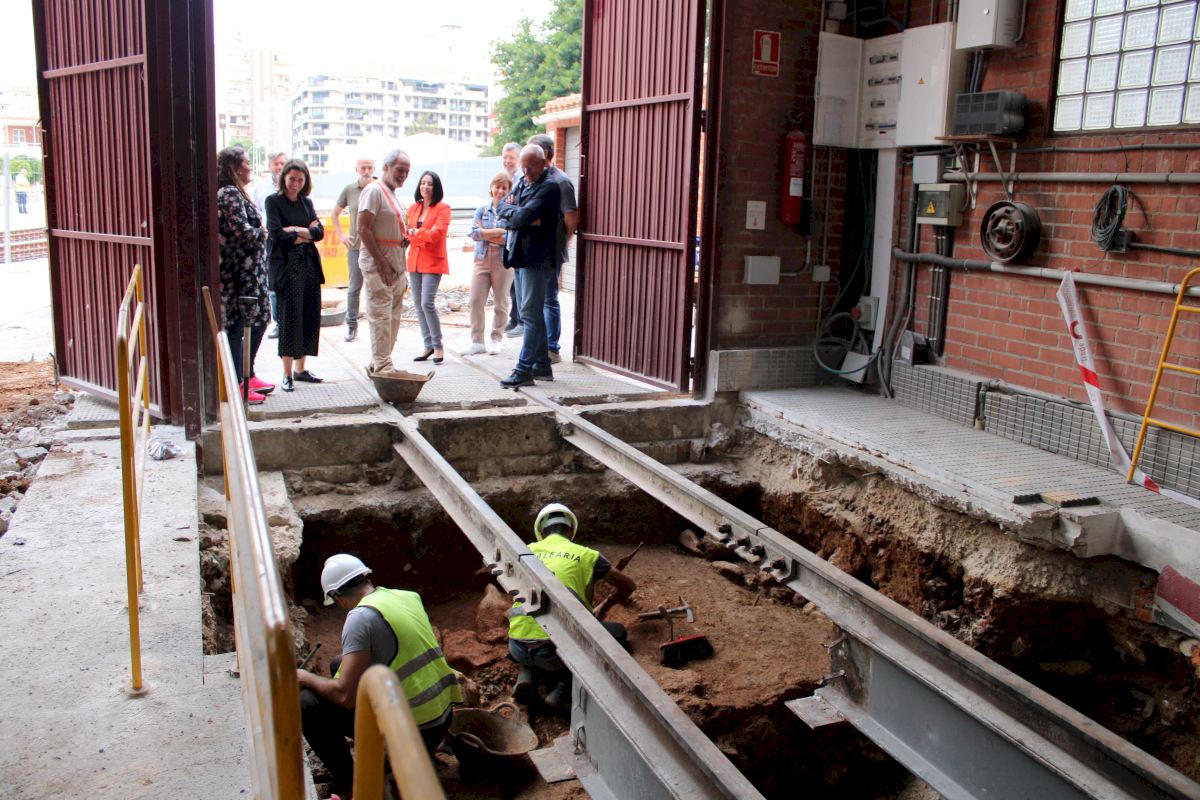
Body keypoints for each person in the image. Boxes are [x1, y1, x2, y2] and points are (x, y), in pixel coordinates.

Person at [298, 554, 463, 800]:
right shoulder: (405, 596)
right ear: (366, 577)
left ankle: (351, 780)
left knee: (306, 702)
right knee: (339, 664)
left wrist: (305, 677)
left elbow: (344, 697)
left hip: (412, 734)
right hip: (440, 720)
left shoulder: (359, 618)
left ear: (337, 596)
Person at [508, 503, 636, 709]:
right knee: (618, 633)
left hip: (516, 647)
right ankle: (564, 687)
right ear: (570, 530)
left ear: (541, 531)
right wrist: (604, 607)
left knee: (533, 630)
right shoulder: (587, 555)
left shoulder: (525, 551)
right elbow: (629, 585)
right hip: (554, 655)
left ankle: (526, 675)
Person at [496, 144, 561, 388]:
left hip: (537, 259)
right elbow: (502, 206)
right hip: (520, 256)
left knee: (530, 315)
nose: (525, 172)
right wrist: (518, 215)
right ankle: (542, 364)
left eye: (530, 167)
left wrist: (517, 215)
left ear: (543, 163)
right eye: (523, 167)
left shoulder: (549, 186)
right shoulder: (524, 182)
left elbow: (521, 216)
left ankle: (524, 369)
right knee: (530, 313)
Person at [215, 146, 274, 404]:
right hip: (239, 274)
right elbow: (242, 231)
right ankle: (237, 382)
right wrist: (263, 233)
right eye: (247, 162)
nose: (250, 167)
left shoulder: (238, 192)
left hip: (252, 272)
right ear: (235, 168)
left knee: (259, 320)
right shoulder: (228, 193)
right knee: (238, 327)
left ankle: (247, 374)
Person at [266, 160, 324, 392]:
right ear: (284, 178)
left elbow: (319, 232)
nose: (295, 184)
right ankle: (287, 373)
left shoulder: (306, 202)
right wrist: (306, 233)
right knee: (290, 317)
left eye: (300, 179)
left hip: (309, 264)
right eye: (292, 179)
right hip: (286, 267)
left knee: (309, 314)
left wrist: (296, 231)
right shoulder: (273, 201)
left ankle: (301, 369)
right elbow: (277, 234)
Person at [357, 149, 411, 374]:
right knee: (381, 316)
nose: (403, 175)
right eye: (400, 170)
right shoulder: (374, 191)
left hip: (396, 265)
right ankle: (383, 365)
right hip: (380, 266)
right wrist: (381, 262)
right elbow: (363, 228)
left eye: (407, 171)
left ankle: (378, 361)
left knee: (393, 317)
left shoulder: (392, 194)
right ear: (386, 168)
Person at [528, 134, 579, 366]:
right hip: (533, 249)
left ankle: (551, 349)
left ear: (545, 154)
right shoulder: (533, 178)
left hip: (551, 249)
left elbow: (571, 217)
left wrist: (562, 241)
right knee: (535, 300)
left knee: (549, 298)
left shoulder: (561, 181)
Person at [464, 172, 515, 355]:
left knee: (501, 302)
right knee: (475, 300)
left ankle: (496, 339)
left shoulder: (511, 212)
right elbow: (474, 233)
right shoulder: (482, 210)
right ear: (491, 188)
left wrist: (486, 233)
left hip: (503, 261)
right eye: (497, 187)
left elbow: (510, 239)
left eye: (504, 188)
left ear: (509, 191)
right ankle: (477, 341)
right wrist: (497, 232)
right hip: (482, 259)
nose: (500, 191)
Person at [405, 171, 451, 364]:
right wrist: (418, 233)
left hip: (433, 261)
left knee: (427, 303)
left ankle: (438, 345)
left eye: (430, 184)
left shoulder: (443, 208)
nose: (425, 187)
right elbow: (407, 233)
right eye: (423, 183)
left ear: (436, 187)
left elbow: (437, 235)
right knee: (418, 304)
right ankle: (428, 344)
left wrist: (416, 232)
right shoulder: (413, 208)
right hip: (414, 260)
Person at [331, 157, 375, 343]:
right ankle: (351, 326)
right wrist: (341, 235)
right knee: (354, 288)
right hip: (356, 246)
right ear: (357, 169)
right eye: (363, 167)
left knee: (376, 289)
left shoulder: (379, 188)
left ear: (374, 169)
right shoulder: (349, 190)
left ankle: (378, 327)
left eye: (369, 167)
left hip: (376, 248)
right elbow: (335, 213)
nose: (366, 171)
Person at [254, 152, 287, 339]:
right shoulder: (260, 188)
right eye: (276, 163)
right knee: (273, 283)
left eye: (282, 163)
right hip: (269, 239)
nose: (279, 167)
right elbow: (256, 212)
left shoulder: (294, 185)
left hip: (290, 240)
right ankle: (279, 323)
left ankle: (290, 322)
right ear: (269, 166)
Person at [499, 142, 524, 338]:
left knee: (520, 282)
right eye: (505, 158)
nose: (507, 161)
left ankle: (521, 320)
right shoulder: (503, 178)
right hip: (507, 234)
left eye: (511, 158)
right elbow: (499, 206)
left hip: (518, 234)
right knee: (513, 284)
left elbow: (515, 208)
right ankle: (514, 318)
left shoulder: (522, 179)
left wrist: (506, 209)